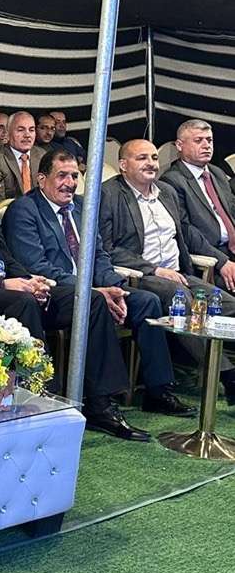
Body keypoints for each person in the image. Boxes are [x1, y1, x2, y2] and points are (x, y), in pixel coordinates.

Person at [0, 134, 145, 439]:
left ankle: (101, 404)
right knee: (23, 302)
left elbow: (4, 254)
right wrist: (6, 283)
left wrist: (31, 280)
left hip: (7, 284)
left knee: (88, 300)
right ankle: (43, 396)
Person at [3, 149, 194, 416]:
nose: (70, 183)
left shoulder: (83, 206)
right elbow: (37, 266)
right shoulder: (24, 210)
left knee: (146, 301)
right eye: (62, 176)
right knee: (94, 302)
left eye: (74, 176)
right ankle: (101, 402)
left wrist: (115, 288)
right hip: (53, 293)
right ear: (42, 179)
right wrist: (92, 290)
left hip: (94, 288)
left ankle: (158, 391)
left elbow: (100, 255)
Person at [100, 138, 235, 403]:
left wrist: (218, 261)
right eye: (142, 158)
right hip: (141, 277)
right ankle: (227, 376)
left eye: (153, 157)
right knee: (182, 300)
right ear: (123, 165)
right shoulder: (109, 194)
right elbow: (107, 248)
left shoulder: (166, 192)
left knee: (229, 304)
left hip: (180, 274)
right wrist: (154, 269)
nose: (151, 163)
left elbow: (185, 234)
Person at [160, 119, 235, 290]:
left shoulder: (217, 173)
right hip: (211, 257)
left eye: (209, 140)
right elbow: (185, 231)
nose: (206, 145)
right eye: (198, 140)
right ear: (179, 145)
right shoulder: (171, 181)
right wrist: (222, 262)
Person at [0, 111, 44, 202]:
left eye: (31, 130)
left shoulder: (42, 155)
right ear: (8, 133)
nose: (27, 135)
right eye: (20, 130)